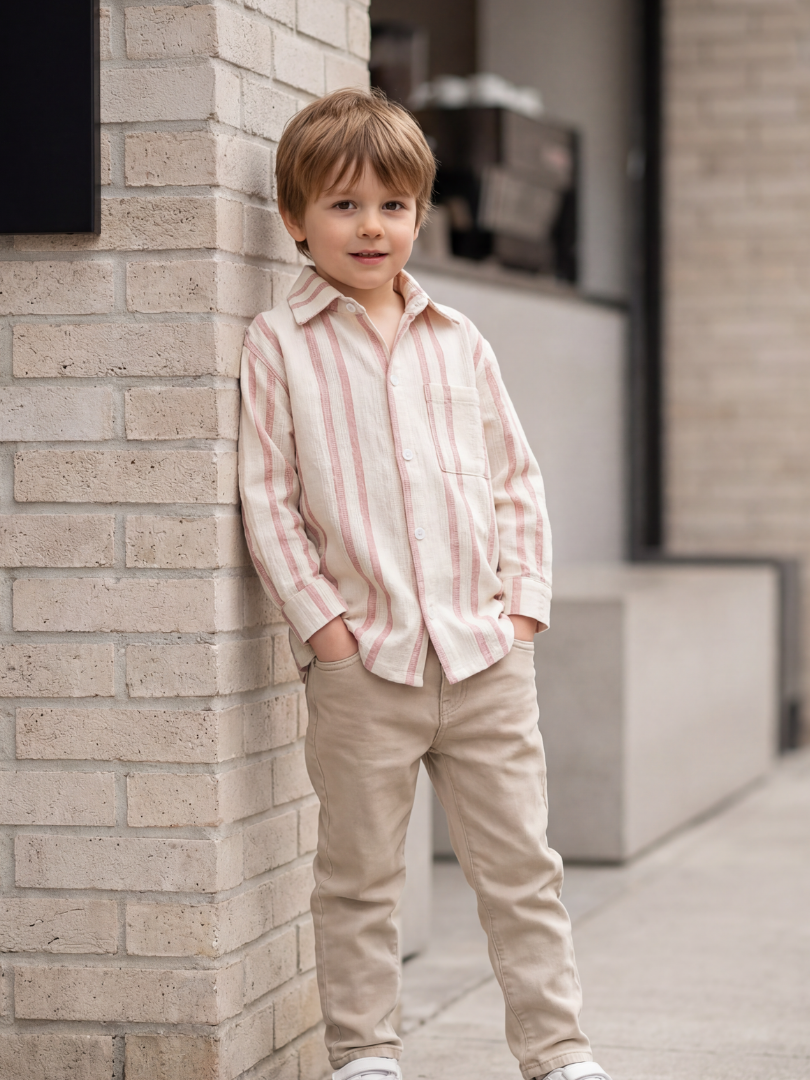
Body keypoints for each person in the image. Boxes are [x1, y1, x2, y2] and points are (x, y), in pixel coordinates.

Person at [238, 87, 612, 1080]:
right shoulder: (280, 345)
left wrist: (522, 609)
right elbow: (269, 502)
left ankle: (559, 1055)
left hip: (484, 655)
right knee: (360, 879)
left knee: (523, 873)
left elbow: (516, 482)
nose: (371, 227)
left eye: (393, 205)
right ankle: (365, 1057)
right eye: (344, 205)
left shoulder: (461, 339)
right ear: (295, 220)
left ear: (420, 213)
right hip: (365, 666)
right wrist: (327, 634)